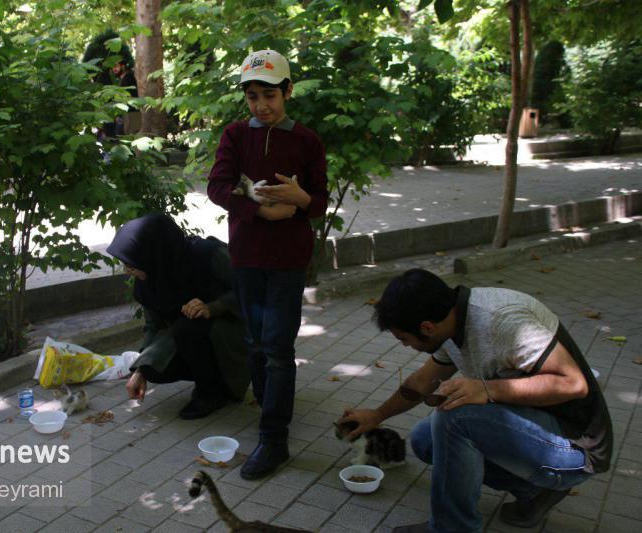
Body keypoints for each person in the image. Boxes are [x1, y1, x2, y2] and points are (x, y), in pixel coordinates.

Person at [340, 269, 613, 533]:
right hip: (538, 428)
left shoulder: (501, 321)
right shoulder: (451, 322)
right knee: (425, 439)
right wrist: (376, 415)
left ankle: (453, 527)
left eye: (404, 338)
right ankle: (534, 491)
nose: (404, 345)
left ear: (427, 327)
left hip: (577, 447)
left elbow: (573, 384)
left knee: (454, 418)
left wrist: (486, 389)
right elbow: (422, 382)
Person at [206, 49, 329, 479]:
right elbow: (217, 187)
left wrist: (301, 199)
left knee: (278, 348)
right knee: (255, 342)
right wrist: (258, 209)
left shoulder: (307, 141)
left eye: (270, 95)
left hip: (288, 261)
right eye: (253, 96)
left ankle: (274, 439)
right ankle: (266, 405)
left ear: (288, 91)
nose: (261, 105)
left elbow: (320, 200)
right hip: (246, 256)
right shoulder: (236, 135)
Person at [106, 213, 249, 420]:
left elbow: (250, 287)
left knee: (187, 328)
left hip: (234, 332)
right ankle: (210, 380)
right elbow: (154, 327)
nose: (127, 272)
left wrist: (213, 307)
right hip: (196, 338)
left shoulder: (206, 254)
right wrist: (141, 369)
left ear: (154, 254)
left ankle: (212, 392)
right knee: (153, 367)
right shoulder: (148, 283)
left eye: (132, 266)